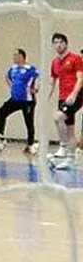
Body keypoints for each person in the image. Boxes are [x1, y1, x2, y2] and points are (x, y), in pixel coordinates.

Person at [0, 49, 37, 154]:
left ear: (21, 56)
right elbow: (7, 77)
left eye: (15, 55)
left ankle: (30, 144)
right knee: (2, 111)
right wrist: (12, 86)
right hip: (15, 99)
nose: (13, 57)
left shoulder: (30, 69)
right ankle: (1, 136)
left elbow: (38, 79)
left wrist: (35, 89)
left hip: (27, 100)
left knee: (29, 122)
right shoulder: (13, 69)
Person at [50, 32, 83, 170]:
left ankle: (63, 146)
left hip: (76, 95)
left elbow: (80, 78)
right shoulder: (55, 62)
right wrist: (46, 97)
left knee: (58, 117)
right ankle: (71, 159)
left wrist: (74, 94)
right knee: (70, 129)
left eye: (61, 42)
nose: (58, 45)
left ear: (66, 44)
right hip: (62, 97)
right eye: (55, 42)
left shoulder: (75, 58)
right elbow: (52, 82)